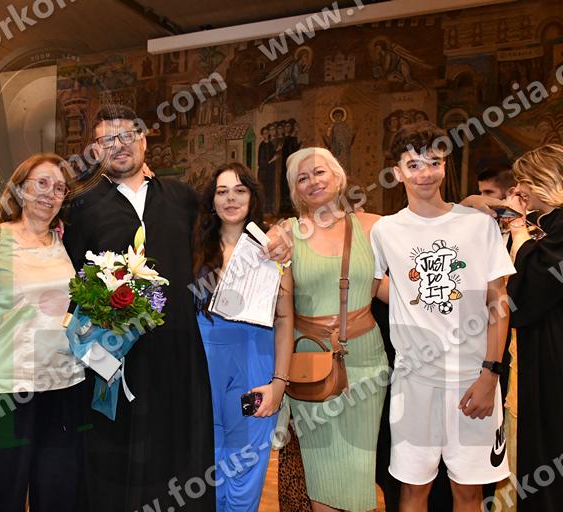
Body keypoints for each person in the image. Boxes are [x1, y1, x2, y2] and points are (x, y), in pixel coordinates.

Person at [63, 104, 289, 512]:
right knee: (115, 460)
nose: (119, 145)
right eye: (107, 140)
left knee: (178, 460)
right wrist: (95, 349)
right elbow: (71, 285)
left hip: (180, 355)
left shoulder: (182, 198)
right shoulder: (81, 207)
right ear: (95, 149)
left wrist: (279, 233)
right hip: (115, 360)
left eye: (127, 135)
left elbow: (229, 225)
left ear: (144, 140)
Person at [370, 121, 514, 512]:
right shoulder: (386, 231)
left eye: (434, 162)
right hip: (413, 383)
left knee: (468, 492)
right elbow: (373, 283)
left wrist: (490, 374)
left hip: (472, 380)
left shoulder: (478, 224)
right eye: (414, 165)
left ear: (445, 164)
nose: (425, 173)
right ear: (397, 172)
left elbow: (498, 301)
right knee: (412, 490)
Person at [0, 153, 85, 512]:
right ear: (20, 189)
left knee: (57, 492)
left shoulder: (64, 242)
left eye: (59, 188)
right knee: (2, 492)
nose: (50, 194)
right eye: (42, 183)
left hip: (63, 383)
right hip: (5, 386)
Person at [281, 147, 388, 512]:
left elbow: (393, 286)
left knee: (360, 470)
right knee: (321, 473)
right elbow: (277, 309)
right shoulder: (286, 234)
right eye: (302, 178)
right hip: (310, 364)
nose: (313, 182)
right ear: (295, 190)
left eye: (320, 172)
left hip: (366, 363)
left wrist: (473, 208)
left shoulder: (372, 227)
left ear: (338, 176)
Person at [192, 162, 293, 511]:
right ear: (212, 200)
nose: (231, 199)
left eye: (240, 190)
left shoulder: (272, 248)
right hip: (203, 370)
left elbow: (284, 318)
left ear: (253, 196)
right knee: (208, 468)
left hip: (253, 366)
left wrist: (279, 382)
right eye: (222, 192)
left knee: (246, 465)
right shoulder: (194, 248)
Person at [504, 143, 563, 511]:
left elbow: (532, 289)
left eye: (523, 182)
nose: (519, 190)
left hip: (552, 349)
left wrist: (517, 229)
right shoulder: (550, 224)